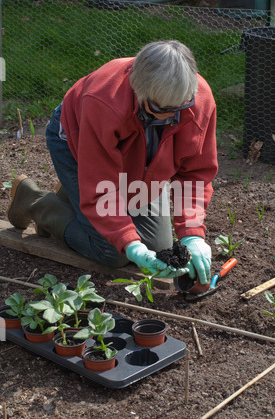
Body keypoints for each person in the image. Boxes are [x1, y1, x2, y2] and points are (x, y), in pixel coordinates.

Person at [7, 40, 218, 288]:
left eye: (181, 107)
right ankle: (34, 202)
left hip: (141, 164)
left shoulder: (199, 101)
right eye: (161, 108)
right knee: (113, 253)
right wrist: (129, 244)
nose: (172, 116)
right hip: (77, 145)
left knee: (158, 248)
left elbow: (194, 174)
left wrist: (192, 234)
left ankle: (72, 195)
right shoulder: (104, 102)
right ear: (139, 90)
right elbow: (100, 187)